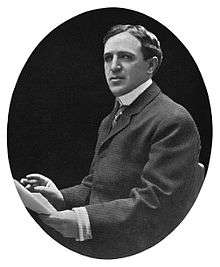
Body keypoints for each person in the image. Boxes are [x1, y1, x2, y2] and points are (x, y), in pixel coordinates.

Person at [20, 25, 202, 259]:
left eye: (125, 57)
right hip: (106, 240)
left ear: (151, 65)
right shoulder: (112, 118)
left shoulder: (173, 119)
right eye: (108, 58)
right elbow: (94, 185)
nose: (113, 66)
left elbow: (155, 204)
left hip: (141, 249)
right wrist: (61, 197)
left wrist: (85, 220)